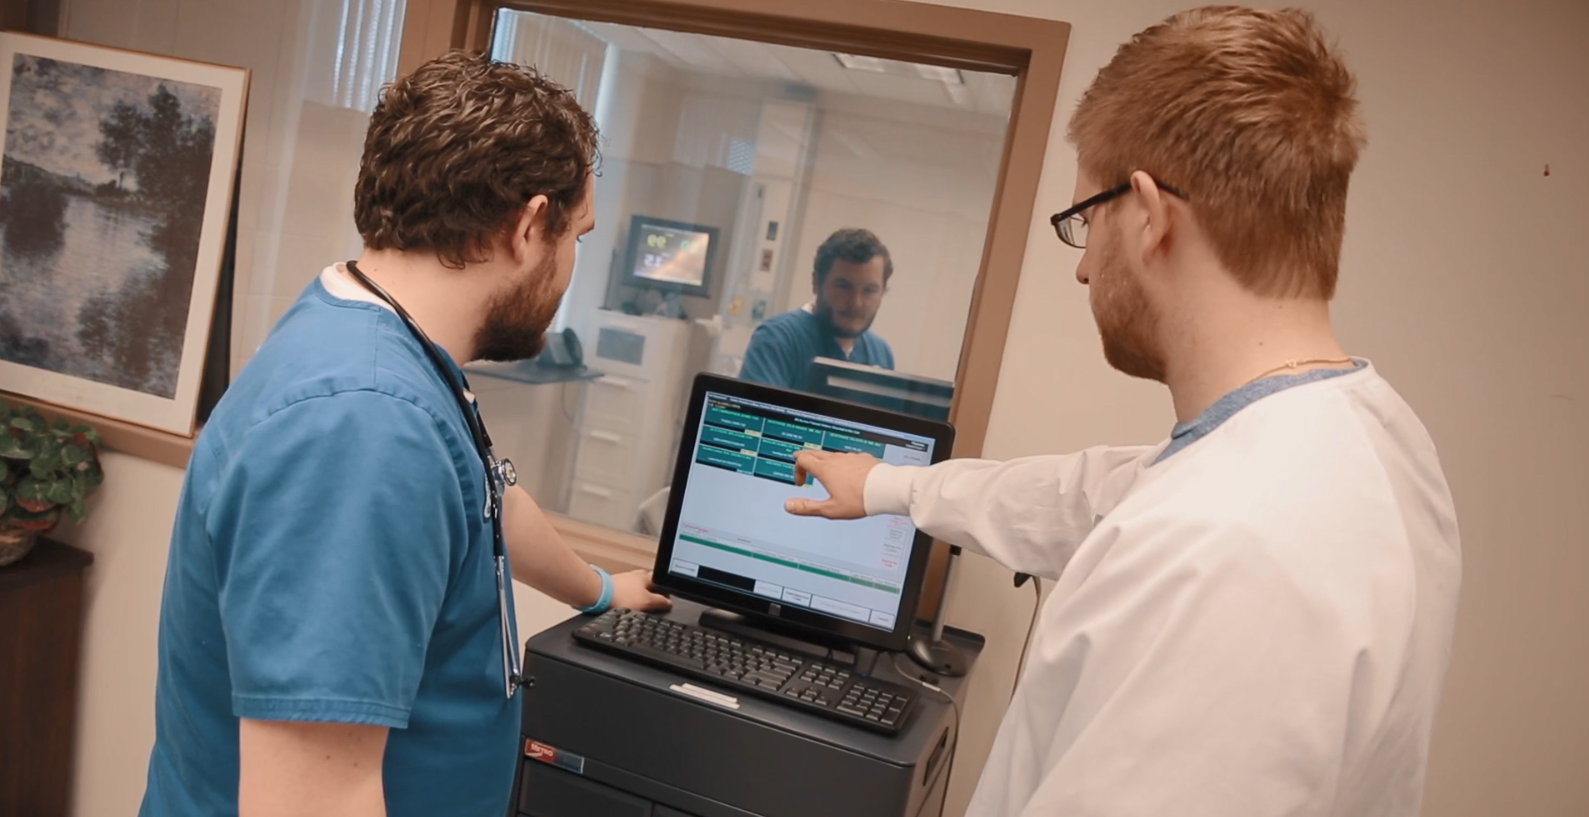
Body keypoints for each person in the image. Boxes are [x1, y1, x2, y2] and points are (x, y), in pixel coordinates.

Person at [786, 8, 1461, 816]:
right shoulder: (1364, 437)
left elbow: (1158, 522)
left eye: (1084, 221)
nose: (1082, 272)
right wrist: (892, 488)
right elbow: (1090, 495)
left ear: (1147, 215)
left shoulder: (1219, 547)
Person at [138, 52, 670, 817]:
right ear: (528, 226)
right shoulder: (364, 424)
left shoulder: (376, 329)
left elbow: (486, 491)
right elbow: (312, 801)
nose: (570, 266)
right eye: (576, 236)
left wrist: (599, 589)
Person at [738, 227, 896, 390]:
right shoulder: (779, 339)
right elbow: (756, 413)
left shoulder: (881, 354)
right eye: (843, 286)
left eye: (869, 290)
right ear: (816, 283)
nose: (856, 303)